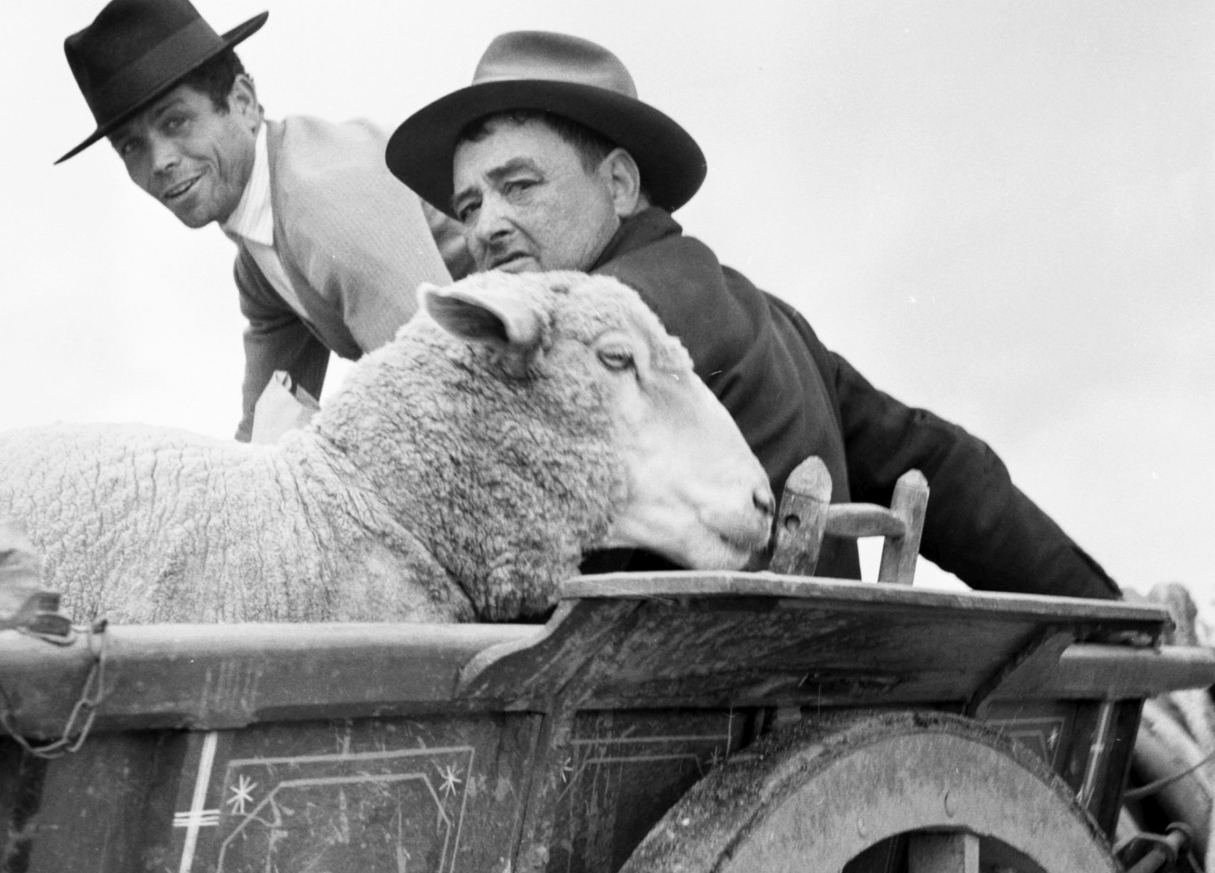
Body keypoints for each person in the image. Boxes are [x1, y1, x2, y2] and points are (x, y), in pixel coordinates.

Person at [385, 30, 1119, 597]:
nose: (486, 227)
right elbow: (943, 468)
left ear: (617, 183)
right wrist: (1106, 611)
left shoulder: (598, 338)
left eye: (519, 185)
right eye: (470, 205)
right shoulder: (772, 320)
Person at [58, 0, 469, 439]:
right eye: (131, 147)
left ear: (243, 103)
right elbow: (264, 439)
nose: (160, 161)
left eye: (176, 121)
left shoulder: (323, 200)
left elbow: (446, 395)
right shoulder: (257, 264)